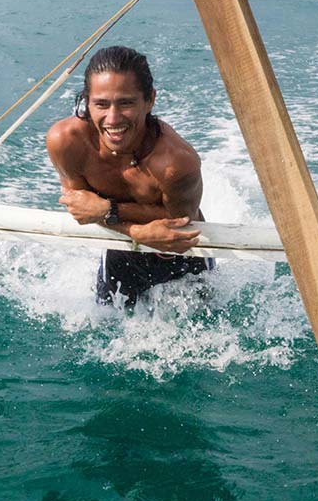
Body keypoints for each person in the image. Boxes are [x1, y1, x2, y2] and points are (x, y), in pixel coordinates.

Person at [46, 45, 212, 306]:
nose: (112, 119)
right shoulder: (66, 142)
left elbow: (179, 220)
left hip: (180, 252)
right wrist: (136, 232)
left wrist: (108, 209)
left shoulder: (176, 163)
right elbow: (83, 209)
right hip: (120, 250)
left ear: (149, 101)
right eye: (101, 104)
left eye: (126, 103)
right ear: (86, 102)